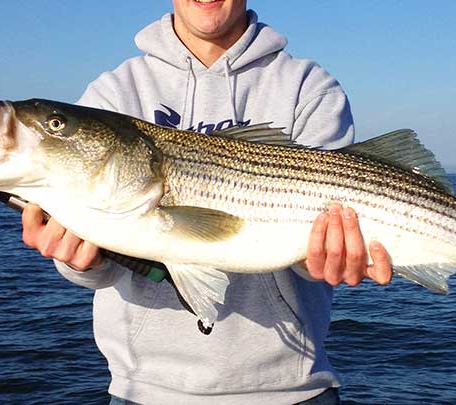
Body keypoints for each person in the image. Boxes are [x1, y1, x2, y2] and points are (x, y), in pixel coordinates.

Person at [21, 1, 392, 403]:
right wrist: (79, 261)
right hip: (142, 392)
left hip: (293, 392)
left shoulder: (308, 87)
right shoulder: (115, 92)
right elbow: (96, 264)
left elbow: (314, 255)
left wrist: (331, 258)